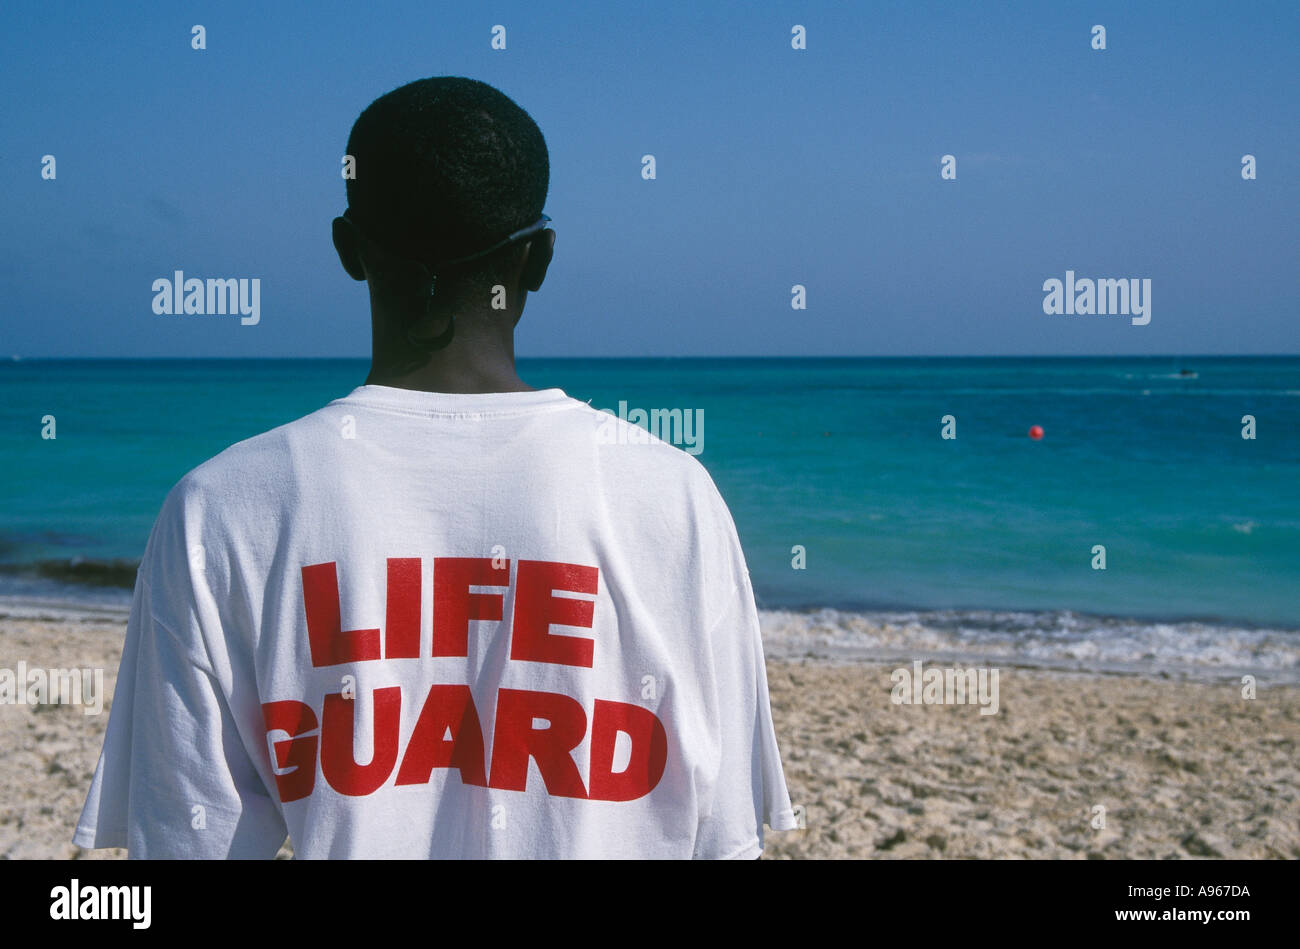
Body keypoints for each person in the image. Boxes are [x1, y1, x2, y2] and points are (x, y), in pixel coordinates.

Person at [73, 76, 796, 859]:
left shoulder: (219, 510)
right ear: (540, 257)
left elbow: (190, 843)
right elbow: (721, 838)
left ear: (349, 249)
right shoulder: (673, 497)